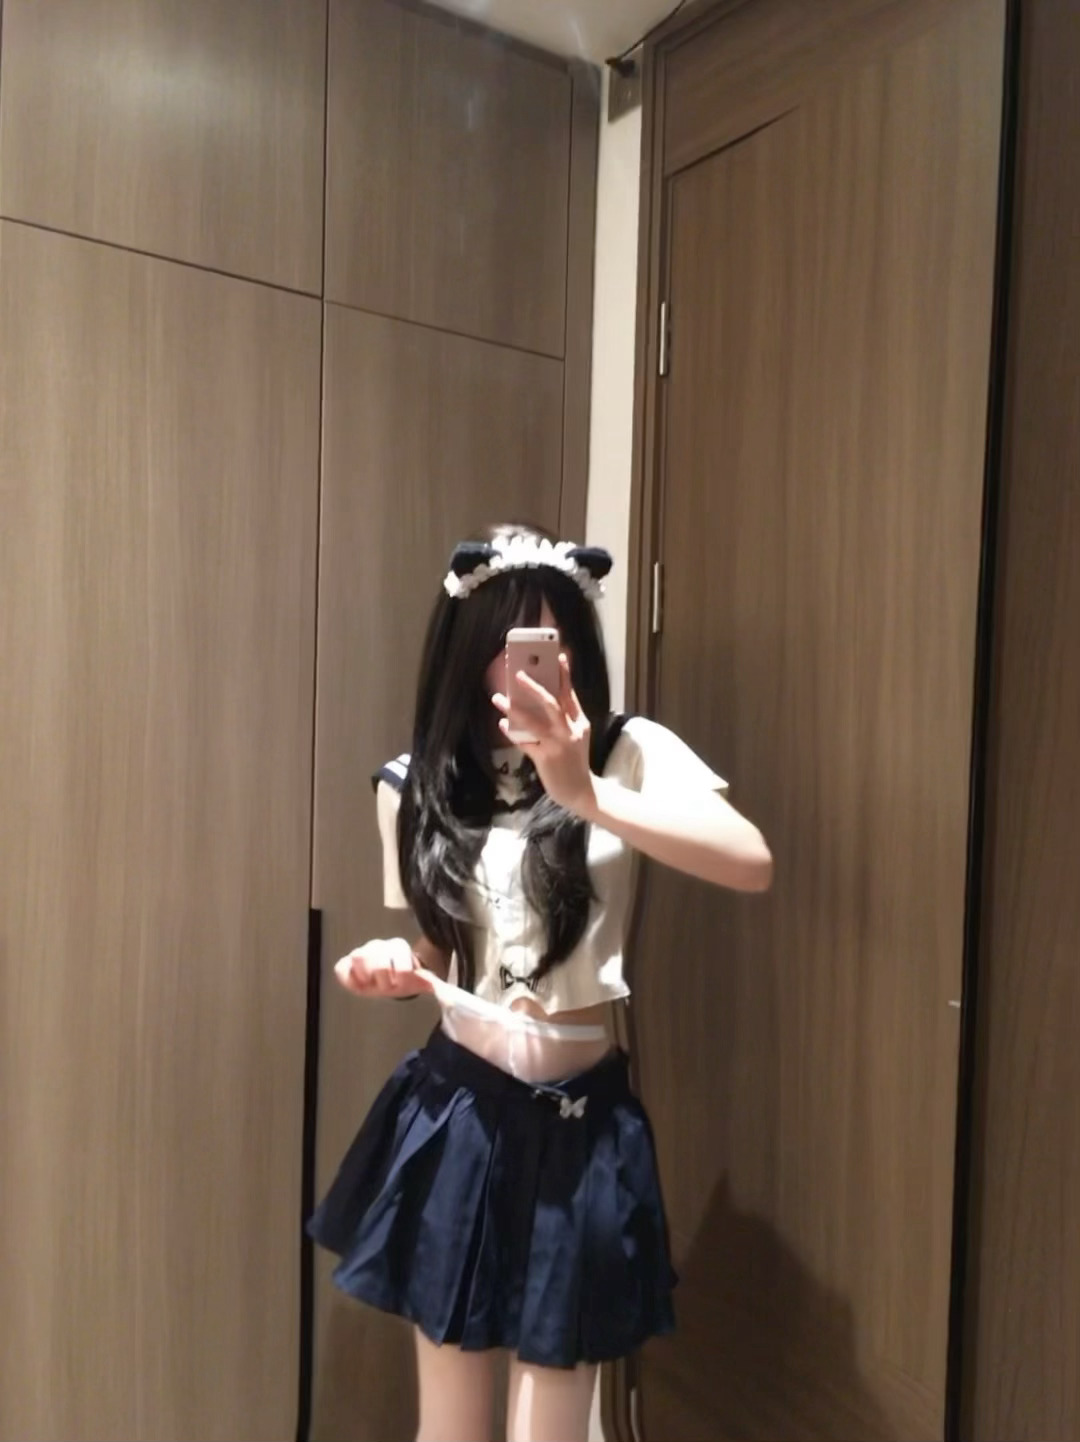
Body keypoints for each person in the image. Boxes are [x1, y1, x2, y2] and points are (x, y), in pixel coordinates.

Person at [308, 522, 773, 1442]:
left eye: (555, 639)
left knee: (550, 1426)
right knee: (451, 1426)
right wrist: (395, 965)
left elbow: (749, 861)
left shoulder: (628, 752)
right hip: (458, 1111)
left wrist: (584, 791)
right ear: (471, 649)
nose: (533, 662)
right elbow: (442, 949)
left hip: (580, 1123)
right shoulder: (415, 783)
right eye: (513, 640)